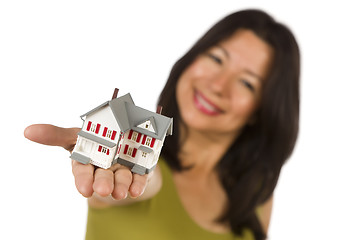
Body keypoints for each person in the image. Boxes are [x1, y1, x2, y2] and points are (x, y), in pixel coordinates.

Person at [24, 9, 300, 240]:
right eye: (216, 59)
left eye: (247, 83)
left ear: (261, 110)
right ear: (191, 60)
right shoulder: (140, 175)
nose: (218, 85)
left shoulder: (257, 192)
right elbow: (141, 184)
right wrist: (119, 161)